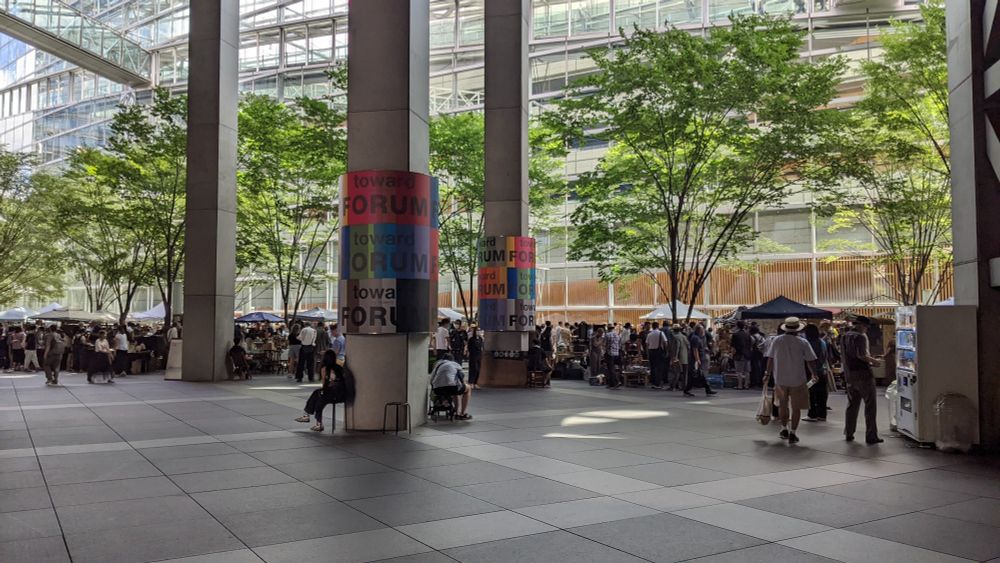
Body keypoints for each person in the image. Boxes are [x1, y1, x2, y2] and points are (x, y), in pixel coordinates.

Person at [764, 317, 818, 444]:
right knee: (796, 408)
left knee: (783, 406)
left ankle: (784, 429)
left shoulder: (776, 340)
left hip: (780, 379)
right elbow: (810, 360)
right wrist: (814, 373)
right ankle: (793, 433)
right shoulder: (803, 342)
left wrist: (767, 373)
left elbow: (770, 358)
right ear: (797, 329)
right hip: (798, 379)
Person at [842, 316, 883, 444]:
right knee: (870, 405)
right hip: (864, 374)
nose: (866, 329)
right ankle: (871, 436)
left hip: (850, 374)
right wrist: (875, 361)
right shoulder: (860, 337)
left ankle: (849, 432)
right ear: (860, 325)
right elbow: (862, 355)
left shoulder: (844, 336)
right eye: (866, 327)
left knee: (852, 405)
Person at [296, 351, 353, 432]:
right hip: (342, 395)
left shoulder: (325, 368)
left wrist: (323, 391)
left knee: (318, 397)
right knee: (318, 395)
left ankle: (311, 419)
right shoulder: (339, 368)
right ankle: (310, 418)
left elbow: (325, 385)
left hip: (333, 394)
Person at [430, 353, 472, 420]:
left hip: (437, 390)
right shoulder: (454, 364)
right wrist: (464, 384)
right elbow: (461, 376)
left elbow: (431, 380)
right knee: (468, 388)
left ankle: (455, 411)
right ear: (452, 359)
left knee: (456, 390)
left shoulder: (437, 365)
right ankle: (462, 413)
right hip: (451, 388)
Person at [803, 324, 830, 422]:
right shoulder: (822, 342)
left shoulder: (810, 343)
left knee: (811, 394)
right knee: (822, 394)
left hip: (812, 371)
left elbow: (810, 359)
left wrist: (812, 371)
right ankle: (822, 415)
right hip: (822, 370)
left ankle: (812, 414)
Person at [685, 324, 716, 397]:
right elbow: (695, 350)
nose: (703, 331)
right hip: (695, 360)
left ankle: (707, 389)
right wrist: (697, 359)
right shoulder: (695, 338)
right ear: (699, 330)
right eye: (702, 330)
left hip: (698, 359)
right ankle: (707, 389)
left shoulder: (698, 337)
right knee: (697, 375)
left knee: (699, 375)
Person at [646, 322, 669, 389]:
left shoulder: (649, 334)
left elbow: (647, 345)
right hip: (659, 352)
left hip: (651, 352)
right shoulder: (661, 333)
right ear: (658, 326)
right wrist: (667, 351)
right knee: (659, 368)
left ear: (652, 326)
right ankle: (658, 383)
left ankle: (653, 383)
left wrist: (647, 353)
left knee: (652, 368)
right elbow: (665, 343)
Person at [730, 321, 753, 390]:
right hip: (747, 355)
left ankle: (740, 385)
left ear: (737, 326)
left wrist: (732, 354)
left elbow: (733, 347)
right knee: (747, 371)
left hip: (738, 355)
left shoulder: (735, 334)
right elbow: (750, 345)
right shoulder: (748, 334)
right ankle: (746, 385)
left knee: (739, 371)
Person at [669, 324, 689, 391]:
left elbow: (676, 348)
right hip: (685, 357)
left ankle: (673, 386)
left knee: (677, 372)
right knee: (685, 373)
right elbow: (688, 346)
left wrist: (675, 357)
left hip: (678, 358)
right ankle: (684, 386)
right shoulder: (684, 336)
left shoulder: (675, 337)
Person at [604, 324, 622, 389]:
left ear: (608, 328)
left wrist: (605, 352)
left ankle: (616, 382)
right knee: (613, 368)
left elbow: (605, 344)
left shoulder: (607, 335)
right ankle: (611, 384)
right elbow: (619, 343)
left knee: (610, 369)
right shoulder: (617, 335)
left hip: (610, 353)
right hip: (616, 353)